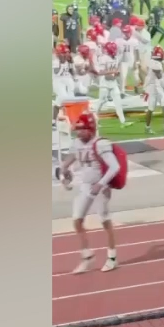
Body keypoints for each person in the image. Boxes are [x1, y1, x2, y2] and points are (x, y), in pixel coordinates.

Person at [58, 113, 119, 273]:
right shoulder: (77, 143)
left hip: (101, 187)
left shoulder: (101, 144)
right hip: (86, 186)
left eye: (82, 129)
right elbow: (68, 161)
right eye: (78, 129)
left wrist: (101, 183)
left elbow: (115, 167)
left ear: (91, 129)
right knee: (77, 220)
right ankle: (87, 256)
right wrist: (64, 172)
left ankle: (112, 257)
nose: (78, 132)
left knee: (105, 220)